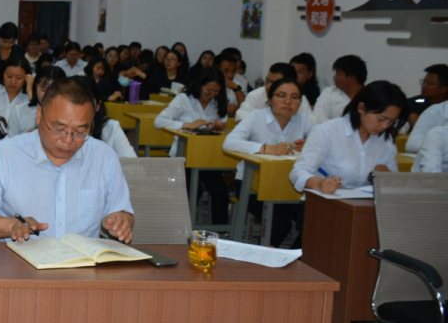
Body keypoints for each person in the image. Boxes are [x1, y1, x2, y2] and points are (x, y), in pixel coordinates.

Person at [0, 77, 134, 243]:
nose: (68, 140)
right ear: (39, 115)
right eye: (59, 129)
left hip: (83, 266)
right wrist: (11, 226)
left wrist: (121, 220)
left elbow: (122, 211)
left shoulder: (104, 156)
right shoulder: (3, 155)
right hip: (19, 265)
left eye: (81, 131)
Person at [223, 77, 315, 247]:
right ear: (270, 98)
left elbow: (323, 145)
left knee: (314, 221)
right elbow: (229, 143)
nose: (288, 101)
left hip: (288, 187)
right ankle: (263, 265)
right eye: (281, 95)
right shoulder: (256, 117)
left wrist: (310, 145)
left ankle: (295, 261)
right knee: (280, 224)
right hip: (251, 185)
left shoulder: (304, 120)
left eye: (294, 97)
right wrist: (265, 148)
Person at [155, 67, 230, 224]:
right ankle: (183, 229)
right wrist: (188, 125)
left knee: (220, 192)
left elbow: (223, 121)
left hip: (206, 157)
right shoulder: (184, 99)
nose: (212, 95)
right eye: (209, 90)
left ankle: (220, 232)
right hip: (182, 156)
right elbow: (159, 121)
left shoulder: (217, 102)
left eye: (217, 91)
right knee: (192, 190)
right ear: (200, 85)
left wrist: (218, 126)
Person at [236, 63, 314, 122]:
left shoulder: (297, 99)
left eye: (274, 83)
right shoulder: (255, 95)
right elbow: (241, 117)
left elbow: (312, 122)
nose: (268, 86)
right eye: (267, 81)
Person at [82, 77, 137, 158]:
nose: (82, 108)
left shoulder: (110, 126)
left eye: (88, 102)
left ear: (98, 105)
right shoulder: (60, 128)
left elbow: (132, 161)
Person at [8, 65, 65, 136]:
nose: (47, 95)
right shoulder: (19, 111)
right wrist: (23, 138)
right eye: (43, 89)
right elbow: (9, 141)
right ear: (36, 84)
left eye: (54, 91)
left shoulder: (69, 113)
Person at [313, 55, 367, 125]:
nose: (334, 77)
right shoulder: (329, 92)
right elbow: (319, 115)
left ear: (352, 78)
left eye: (338, 73)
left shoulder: (371, 97)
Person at [0, 56, 32, 121]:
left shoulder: (29, 97)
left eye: (19, 78)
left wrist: (30, 92)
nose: (13, 81)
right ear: (3, 74)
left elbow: (35, 121)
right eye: (9, 76)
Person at [406, 64, 448, 129]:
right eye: (424, 82)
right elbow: (420, 129)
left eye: (429, 83)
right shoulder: (412, 103)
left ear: (443, 89)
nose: (423, 86)